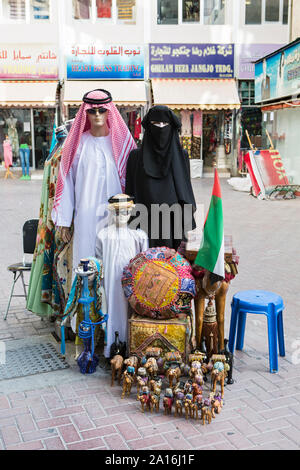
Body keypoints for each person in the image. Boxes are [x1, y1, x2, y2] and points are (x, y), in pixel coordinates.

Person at [52, 89, 136, 271]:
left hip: (117, 216)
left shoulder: (122, 143)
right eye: (92, 111)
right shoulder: (77, 144)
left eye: (102, 110)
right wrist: (65, 221)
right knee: (86, 265)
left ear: (109, 111)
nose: (97, 114)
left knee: (116, 264)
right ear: (85, 113)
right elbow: (66, 182)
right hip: (86, 215)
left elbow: (134, 180)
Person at [125, 105, 196, 250]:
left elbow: (185, 188)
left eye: (165, 124)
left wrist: (186, 221)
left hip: (173, 222)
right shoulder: (135, 157)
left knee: (172, 269)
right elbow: (130, 193)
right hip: (144, 221)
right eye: (156, 124)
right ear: (149, 128)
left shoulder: (181, 156)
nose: (161, 128)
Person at [95, 194, 148, 359]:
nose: (122, 216)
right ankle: (111, 346)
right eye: (118, 212)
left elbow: (144, 262)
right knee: (112, 311)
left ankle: (132, 348)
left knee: (130, 312)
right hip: (111, 283)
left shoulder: (138, 236)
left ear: (131, 212)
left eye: (125, 212)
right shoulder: (103, 235)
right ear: (112, 213)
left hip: (130, 285)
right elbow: (98, 261)